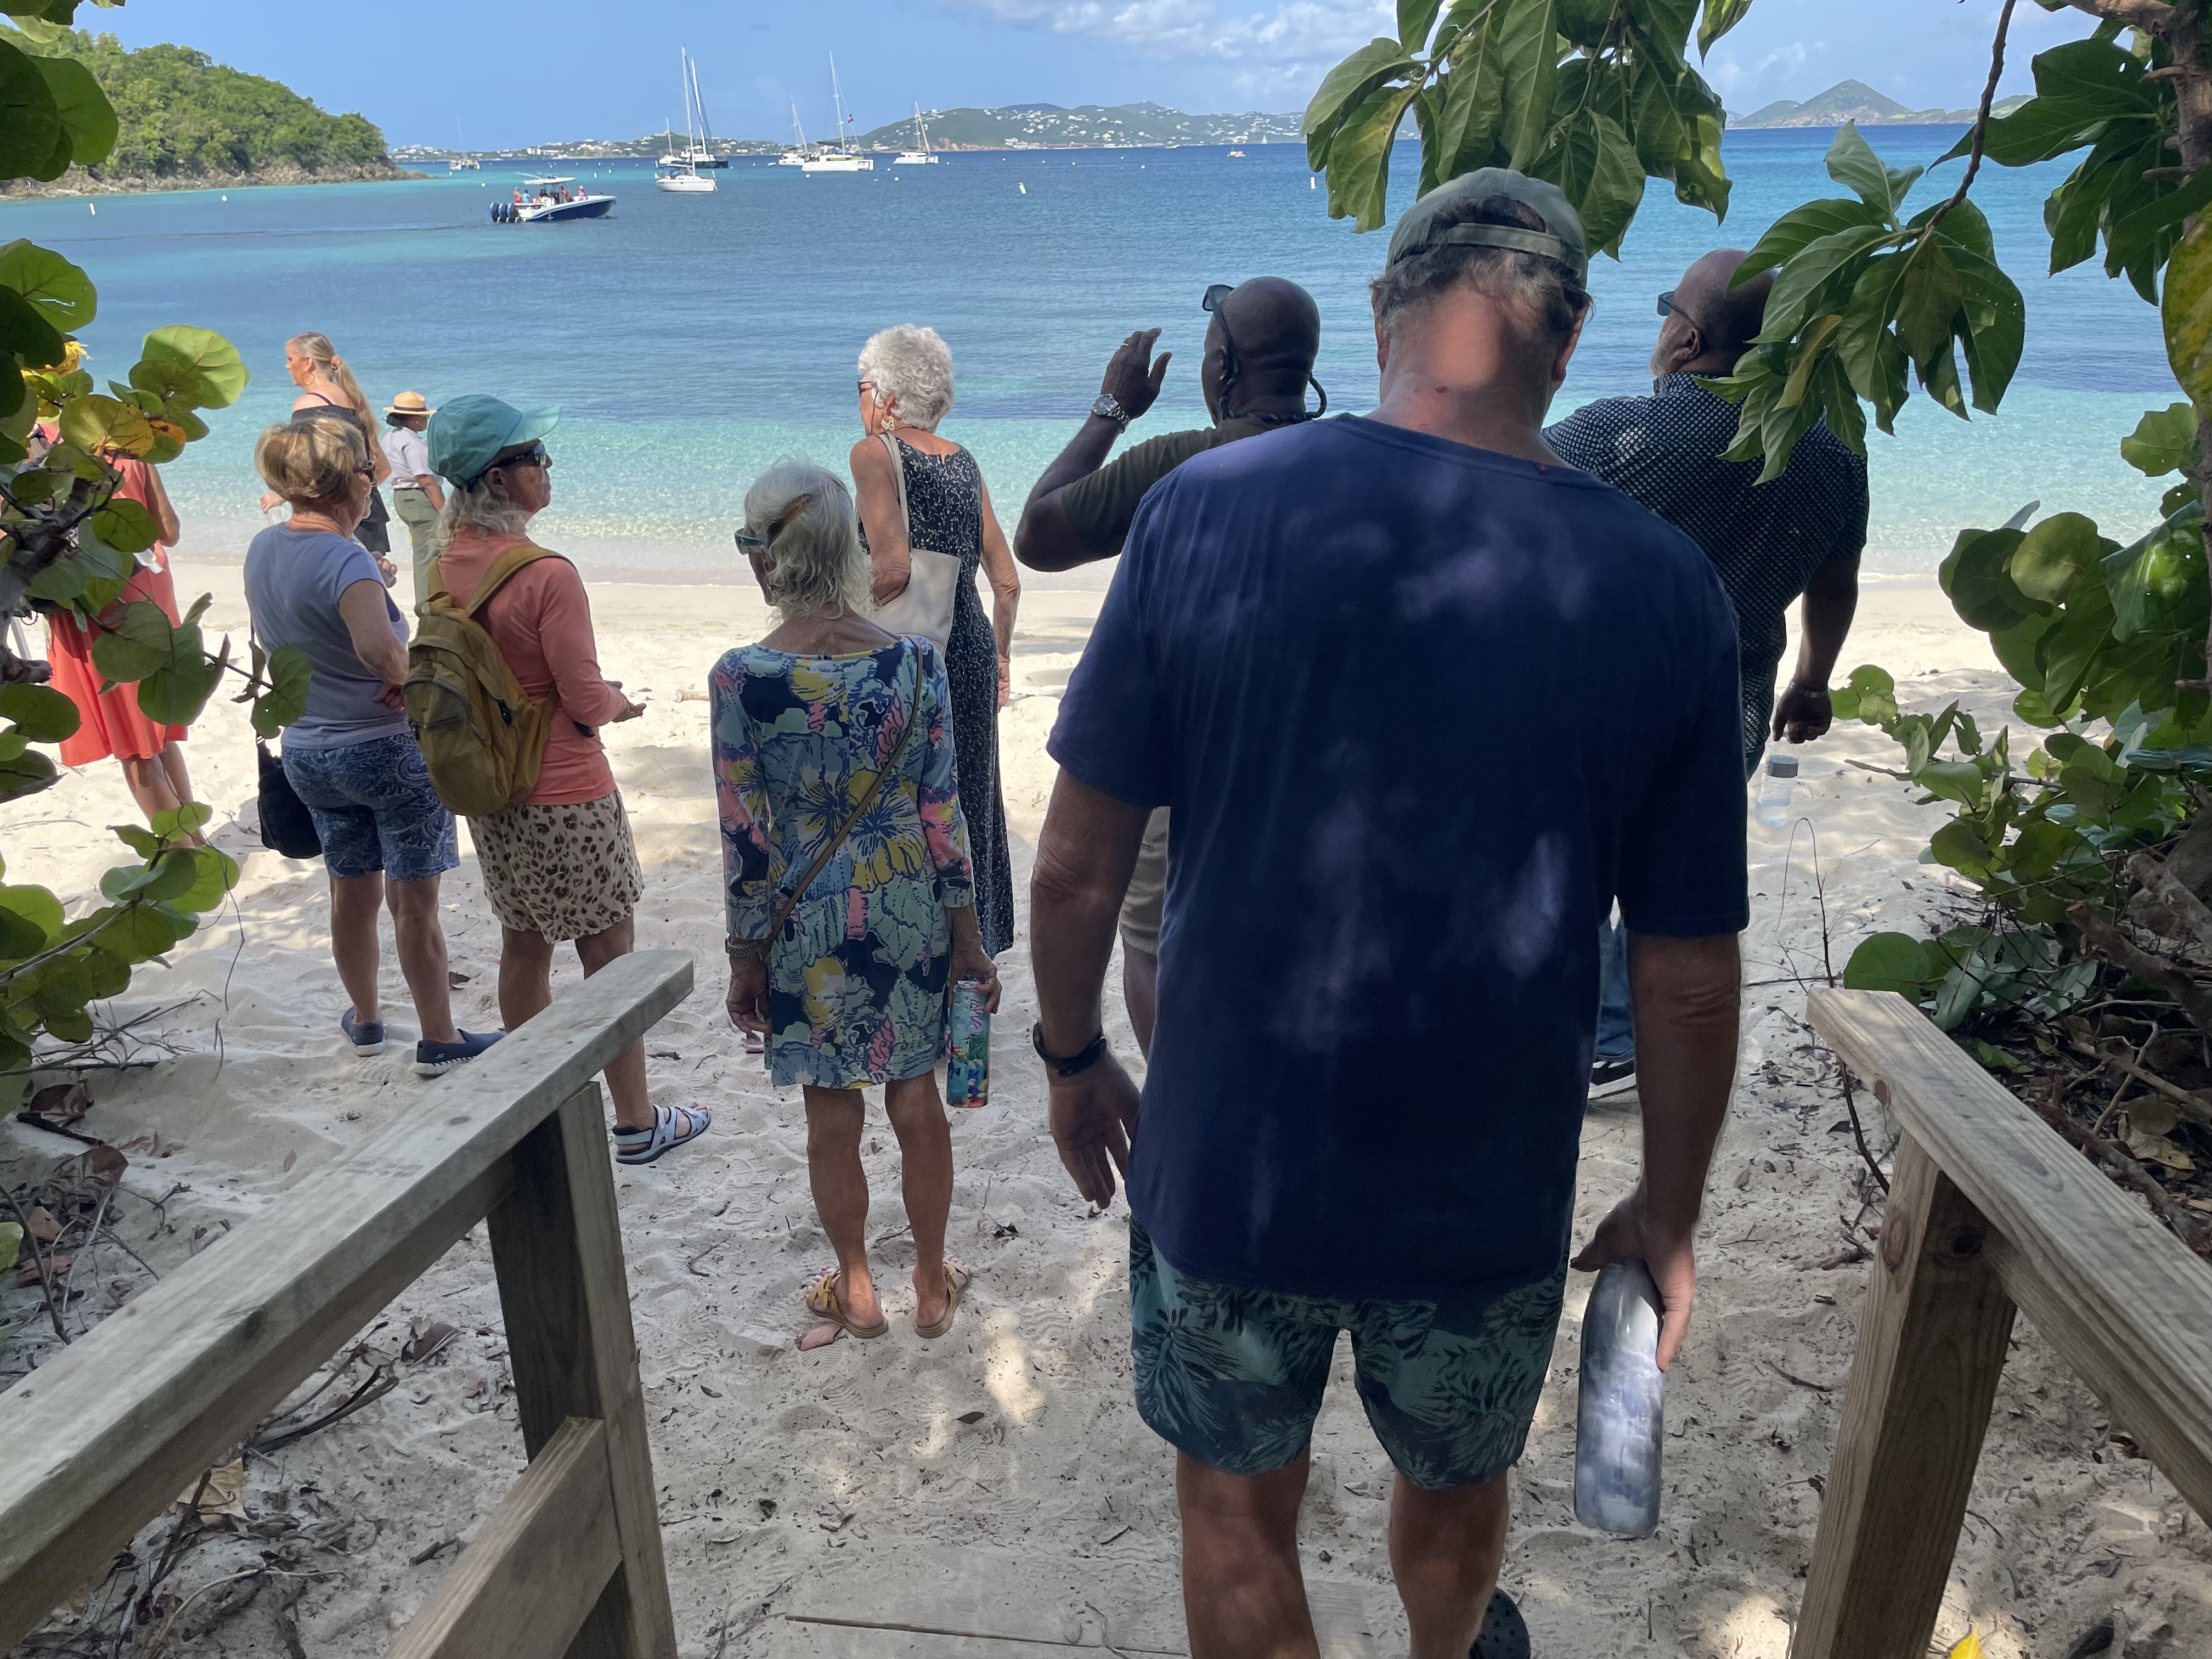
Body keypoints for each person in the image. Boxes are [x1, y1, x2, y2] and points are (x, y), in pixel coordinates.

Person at [1029, 171, 1747, 1659]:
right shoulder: (1665, 588)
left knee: (1232, 1513)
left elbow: (1076, 868)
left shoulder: (1205, 510)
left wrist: (1071, 1054)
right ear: (1574, 336)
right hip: (1480, 1192)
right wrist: (1667, 1209)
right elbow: (1683, 974)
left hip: (1231, 1161)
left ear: (1380, 316)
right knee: (1457, 1483)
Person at [1548, 249, 1869, 1099]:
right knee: (1669, 882)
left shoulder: (1608, 438)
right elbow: (1837, 583)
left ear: (1687, 341)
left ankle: (1590, 1034)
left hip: (1597, 708)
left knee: (1574, 869)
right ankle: (1628, 1039)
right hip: (1733, 706)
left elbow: (1491, 507)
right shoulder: (1832, 454)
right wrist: (1813, 678)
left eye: (1665, 311)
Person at [717, 460, 1000, 1349]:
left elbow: (746, 839)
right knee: (915, 1098)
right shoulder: (914, 664)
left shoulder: (744, 679)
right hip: (907, 906)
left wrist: (744, 955)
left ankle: (856, 1285)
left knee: (829, 1111)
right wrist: (969, 936)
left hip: (807, 925)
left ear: (769, 562)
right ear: (848, 551)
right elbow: (942, 811)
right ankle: (928, 1282)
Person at [1014, 278, 1323, 1053]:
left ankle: (1181, 1091)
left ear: (1222, 371)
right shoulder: (1355, 461)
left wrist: (1110, 410)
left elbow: (1040, 538)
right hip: (1312, 760)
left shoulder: (1180, 464)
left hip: (1185, 757)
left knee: (1151, 939)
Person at [424, 394, 709, 1166]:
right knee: (610, 957)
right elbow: (582, 697)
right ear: (501, 478)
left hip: (495, 792)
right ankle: (637, 1121)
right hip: (568, 787)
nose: (548, 469)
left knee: (524, 947)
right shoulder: (548, 574)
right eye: (536, 458)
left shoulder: (442, 565)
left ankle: (540, 1107)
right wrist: (622, 704)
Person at [244, 416, 499, 1076]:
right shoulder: (344, 556)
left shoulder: (261, 550)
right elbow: (379, 650)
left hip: (310, 751)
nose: (372, 486)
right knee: (414, 903)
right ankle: (440, 1037)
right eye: (367, 474)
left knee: (349, 891)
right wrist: (413, 682)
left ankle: (364, 1018)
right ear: (346, 486)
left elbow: (273, 644)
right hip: (382, 748)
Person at [848, 324, 1019, 958]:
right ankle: (974, 950)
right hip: (970, 648)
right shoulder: (964, 461)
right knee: (966, 796)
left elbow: (889, 570)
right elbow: (1006, 583)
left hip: (907, 660)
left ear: (888, 397)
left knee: (899, 799)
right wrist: (1000, 657)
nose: (860, 403)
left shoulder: (874, 455)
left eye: (862, 388)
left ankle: (907, 947)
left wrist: (830, 614)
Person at [41, 435, 199, 830]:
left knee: (135, 745)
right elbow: (169, 532)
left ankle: (185, 856)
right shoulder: (126, 442)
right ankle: (196, 843)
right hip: (148, 583)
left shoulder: (33, 450)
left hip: (97, 594)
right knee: (156, 734)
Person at [266, 332, 396, 571]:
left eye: (290, 358)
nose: (287, 365)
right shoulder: (352, 400)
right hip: (369, 511)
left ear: (308, 362)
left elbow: (306, 465)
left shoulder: (309, 404)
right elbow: (383, 469)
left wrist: (281, 495)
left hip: (333, 516)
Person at [381, 391, 445, 604]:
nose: (426, 420)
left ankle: (426, 604)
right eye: (425, 417)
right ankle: (429, 606)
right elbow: (426, 481)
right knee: (431, 556)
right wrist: (445, 513)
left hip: (402, 498)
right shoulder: (414, 443)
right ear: (417, 418)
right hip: (419, 499)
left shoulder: (390, 438)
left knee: (423, 554)